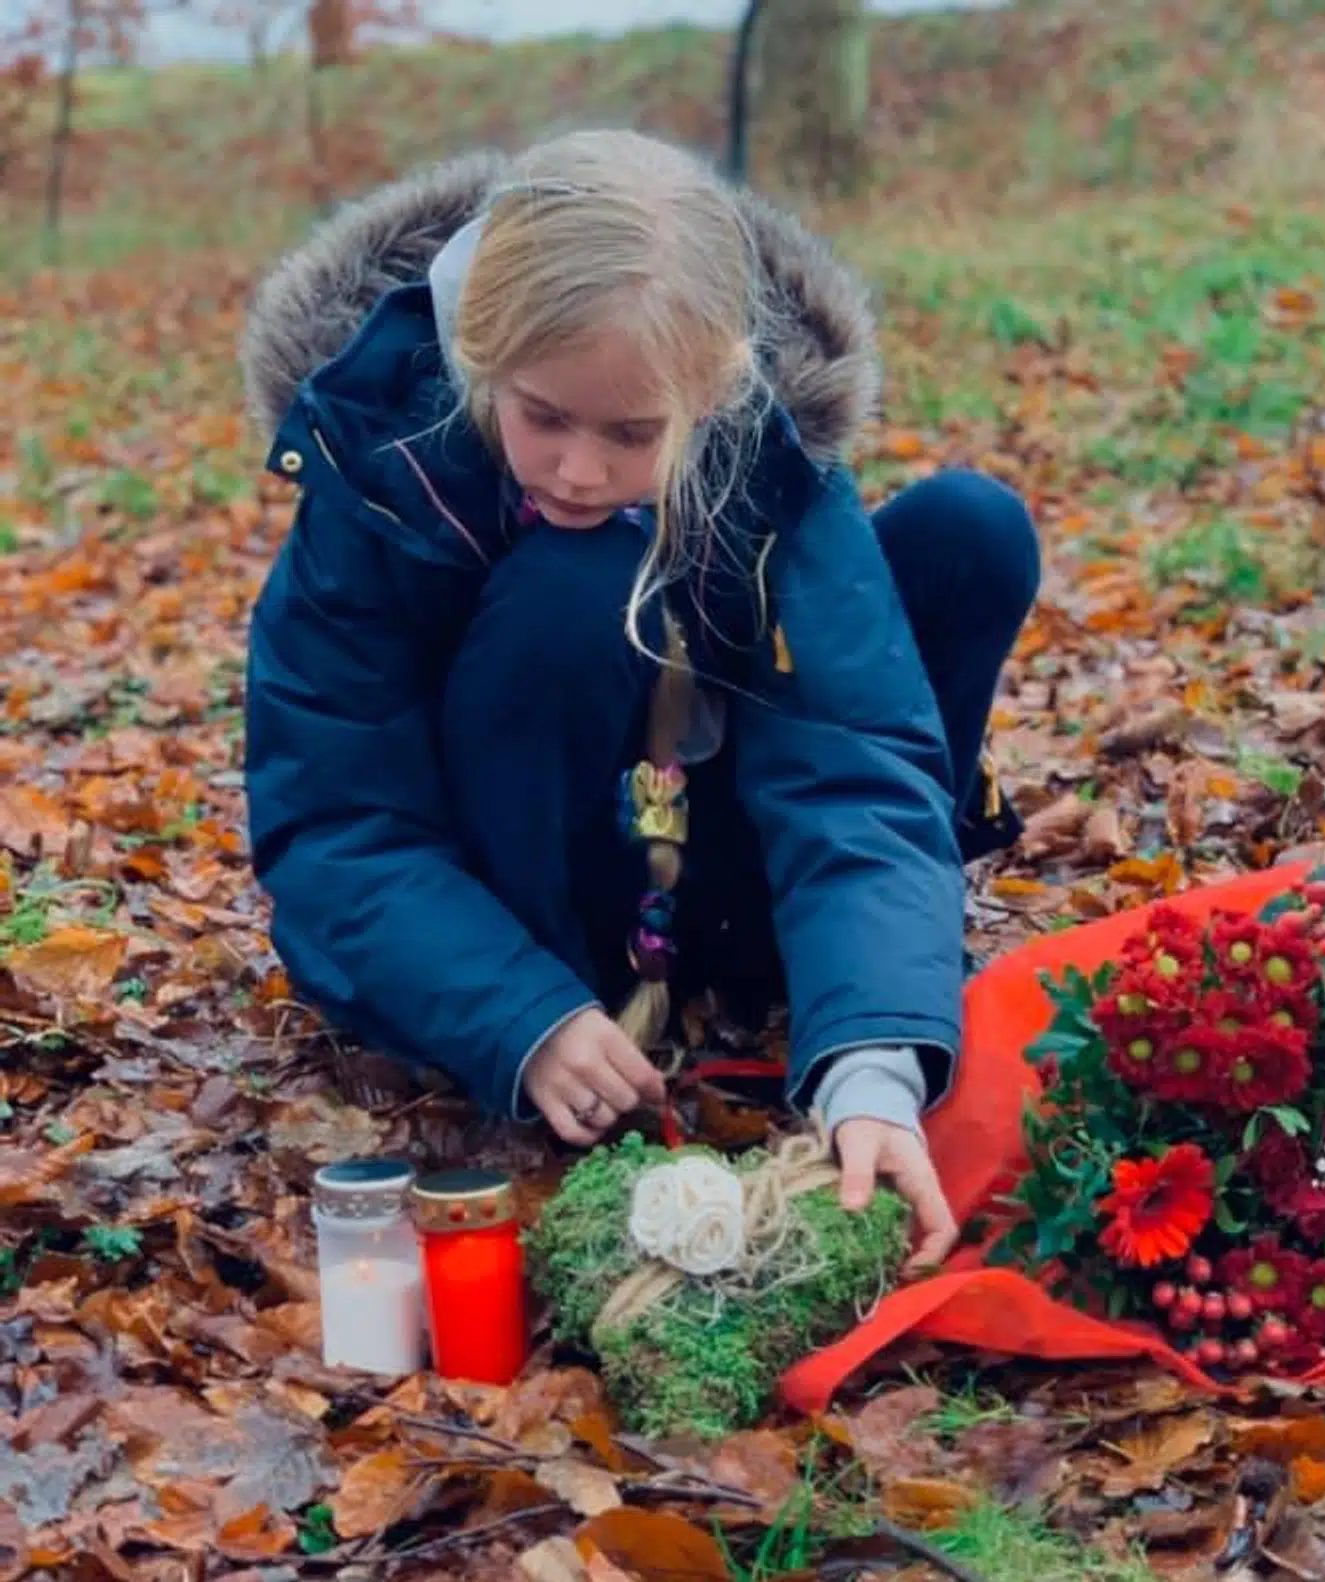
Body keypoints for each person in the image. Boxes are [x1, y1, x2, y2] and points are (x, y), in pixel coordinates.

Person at [240, 129, 1039, 1273]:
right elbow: (336, 822)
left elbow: (851, 760)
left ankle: (801, 985)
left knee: (967, 528)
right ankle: (585, 1020)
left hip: (702, 847)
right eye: (544, 417)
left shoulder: (765, 453)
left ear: (712, 392)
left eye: (630, 434)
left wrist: (873, 1065)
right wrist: (522, 1014)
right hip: (512, 887)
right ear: (481, 353)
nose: (575, 469)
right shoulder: (380, 469)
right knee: (576, 584)